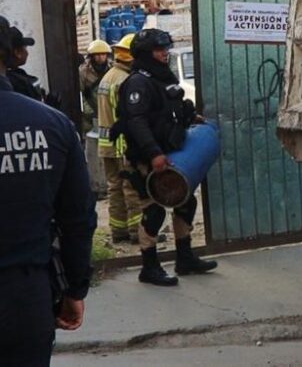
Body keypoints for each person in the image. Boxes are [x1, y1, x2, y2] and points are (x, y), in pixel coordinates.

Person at [0, 14, 96, 365]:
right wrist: (75, 288)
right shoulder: (51, 125)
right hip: (26, 300)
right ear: (9, 54)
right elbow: (78, 218)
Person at [115, 28, 216, 286]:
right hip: (146, 159)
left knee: (185, 203)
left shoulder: (162, 77)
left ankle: (185, 258)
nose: (165, 53)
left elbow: (170, 110)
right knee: (154, 212)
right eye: (159, 50)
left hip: (168, 152)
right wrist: (154, 154)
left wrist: (190, 118)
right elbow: (136, 122)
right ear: (145, 54)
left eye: (165, 48)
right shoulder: (138, 82)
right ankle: (149, 267)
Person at [96, 34, 143, 243]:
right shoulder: (125, 80)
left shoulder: (108, 76)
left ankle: (118, 231)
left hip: (106, 145)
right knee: (132, 187)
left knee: (114, 188)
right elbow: (125, 116)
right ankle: (137, 232)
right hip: (122, 144)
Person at [79, 40, 112, 136]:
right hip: (91, 111)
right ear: (92, 56)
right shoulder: (83, 71)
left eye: (103, 54)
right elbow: (81, 93)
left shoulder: (112, 68)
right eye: (97, 55)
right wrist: (89, 111)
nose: (100, 57)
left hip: (108, 108)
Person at [5, 26, 44, 101]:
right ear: (17, 53)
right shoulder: (20, 83)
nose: (27, 52)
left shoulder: (9, 77)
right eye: (25, 47)